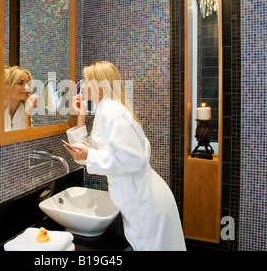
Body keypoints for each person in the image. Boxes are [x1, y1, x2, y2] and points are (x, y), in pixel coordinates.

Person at [63, 61, 186, 251]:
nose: (83, 86)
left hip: (146, 201)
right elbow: (94, 153)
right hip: (139, 198)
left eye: (86, 81)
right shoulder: (106, 110)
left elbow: (133, 160)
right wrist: (81, 118)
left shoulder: (113, 114)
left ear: (99, 85)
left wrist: (90, 155)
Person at [4, 66, 39, 131]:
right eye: (20, 83)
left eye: (28, 84)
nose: (27, 88)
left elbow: (28, 139)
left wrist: (27, 114)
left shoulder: (23, 110)